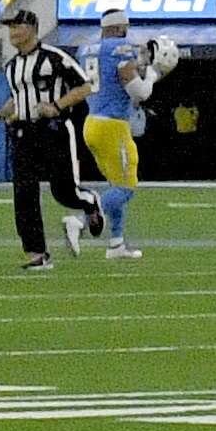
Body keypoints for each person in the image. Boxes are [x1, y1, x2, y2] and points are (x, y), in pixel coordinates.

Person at [0, 0, 101, 270]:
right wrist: (1, 112)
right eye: (9, 27)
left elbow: (85, 87)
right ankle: (37, 253)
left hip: (53, 131)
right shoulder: (11, 66)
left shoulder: (54, 58)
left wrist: (56, 106)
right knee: (24, 193)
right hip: (22, 132)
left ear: (32, 28)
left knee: (63, 191)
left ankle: (89, 202)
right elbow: (17, 97)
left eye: (16, 26)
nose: (12, 32)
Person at [84, 18, 152, 260]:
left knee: (116, 183)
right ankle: (84, 218)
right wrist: (154, 74)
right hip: (112, 125)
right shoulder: (120, 48)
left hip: (92, 121)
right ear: (119, 27)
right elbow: (139, 92)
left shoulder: (87, 48)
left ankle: (116, 243)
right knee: (126, 187)